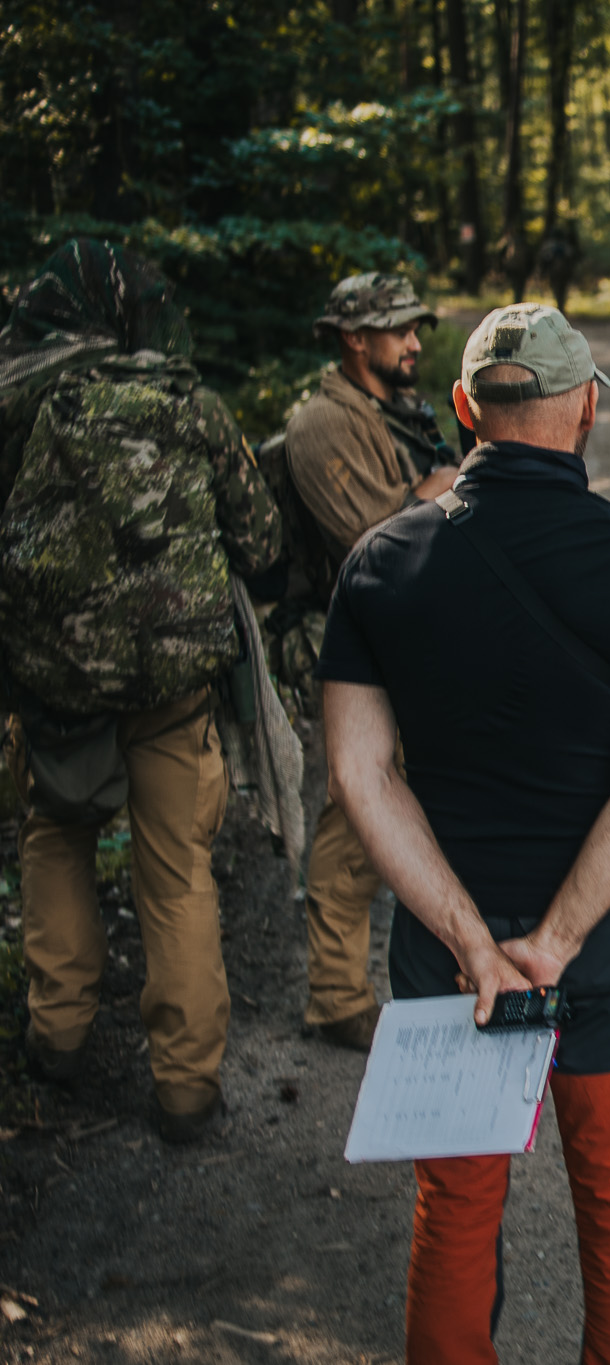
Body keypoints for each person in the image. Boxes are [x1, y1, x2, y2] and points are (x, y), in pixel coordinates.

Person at [320, 302, 610, 1361]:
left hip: (447, 955)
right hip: (609, 950)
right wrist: (557, 944)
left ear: (463, 409)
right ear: (586, 407)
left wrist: (473, 944)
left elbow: (361, 771)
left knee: (454, 1220)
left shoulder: (379, 563)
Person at [0, 239, 283, 1143]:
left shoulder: (17, 398)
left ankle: (59, 1038)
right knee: (176, 872)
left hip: (54, 677)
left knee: (55, 836)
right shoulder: (190, 403)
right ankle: (187, 1089)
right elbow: (262, 542)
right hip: (172, 681)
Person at [281, 272, 460, 1052]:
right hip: (359, 643)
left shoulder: (397, 410)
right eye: (398, 328)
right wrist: (446, 487)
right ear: (354, 338)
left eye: (416, 327)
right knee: (355, 814)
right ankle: (336, 995)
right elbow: (371, 544)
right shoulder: (323, 424)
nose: (414, 341)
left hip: (419, 635)